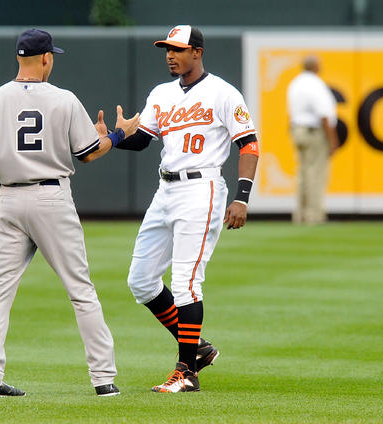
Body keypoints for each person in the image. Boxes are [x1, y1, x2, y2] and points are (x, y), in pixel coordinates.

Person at [0, 28, 140, 397]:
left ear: (18, 57)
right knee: (81, 290)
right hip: (51, 199)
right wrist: (118, 135)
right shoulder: (64, 99)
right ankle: (103, 379)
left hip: (9, 199)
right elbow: (88, 153)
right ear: (46, 58)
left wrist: (10, 181)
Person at [114, 25, 260, 393]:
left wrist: (242, 197)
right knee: (141, 280)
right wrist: (115, 136)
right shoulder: (161, 93)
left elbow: (249, 145)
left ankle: (186, 371)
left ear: (197, 52)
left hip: (202, 188)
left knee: (185, 283)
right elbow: (141, 140)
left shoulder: (223, 93)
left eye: (177, 49)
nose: (170, 55)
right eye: (166, 49)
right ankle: (199, 349)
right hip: (165, 190)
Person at [287, 55, 339, 225]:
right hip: (313, 132)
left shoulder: (295, 83)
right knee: (315, 174)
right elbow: (324, 115)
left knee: (303, 174)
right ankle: (314, 216)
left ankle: (300, 215)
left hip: (297, 130)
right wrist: (333, 140)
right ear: (315, 67)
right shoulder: (316, 84)